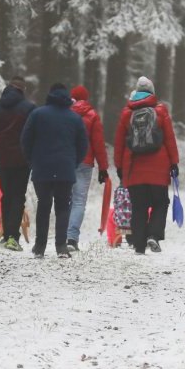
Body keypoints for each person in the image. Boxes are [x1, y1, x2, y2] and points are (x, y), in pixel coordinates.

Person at [114, 75, 179, 255]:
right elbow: (169, 138)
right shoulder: (160, 110)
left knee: (138, 206)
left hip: (134, 167)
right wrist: (174, 163)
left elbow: (119, 143)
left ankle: (139, 246)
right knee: (160, 202)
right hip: (158, 167)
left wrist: (119, 166)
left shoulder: (127, 113)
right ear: (152, 92)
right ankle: (154, 235)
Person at [21, 83, 88, 258]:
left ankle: (40, 246)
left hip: (41, 168)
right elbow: (83, 145)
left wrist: (32, 161)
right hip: (65, 168)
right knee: (63, 207)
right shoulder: (74, 118)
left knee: (43, 205)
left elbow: (25, 140)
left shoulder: (37, 114)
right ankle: (61, 246)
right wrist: (73, 162)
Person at [0, 76, 35, 251]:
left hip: (2, 159)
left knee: (6, 196)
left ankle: (5, 237)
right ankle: (13, 237)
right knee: (18, 196)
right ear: (22, 90)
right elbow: (35, 133)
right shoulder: (29, 109)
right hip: (22, 160)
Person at [66, 84, 109, 251]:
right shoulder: (92, 115)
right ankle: (72, 238)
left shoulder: (65, 114)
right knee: (79, 201)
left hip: (66, 162)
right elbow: (98, 144)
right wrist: (103, 168)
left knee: (66, 199)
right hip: (85, 162)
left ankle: (63, 236)